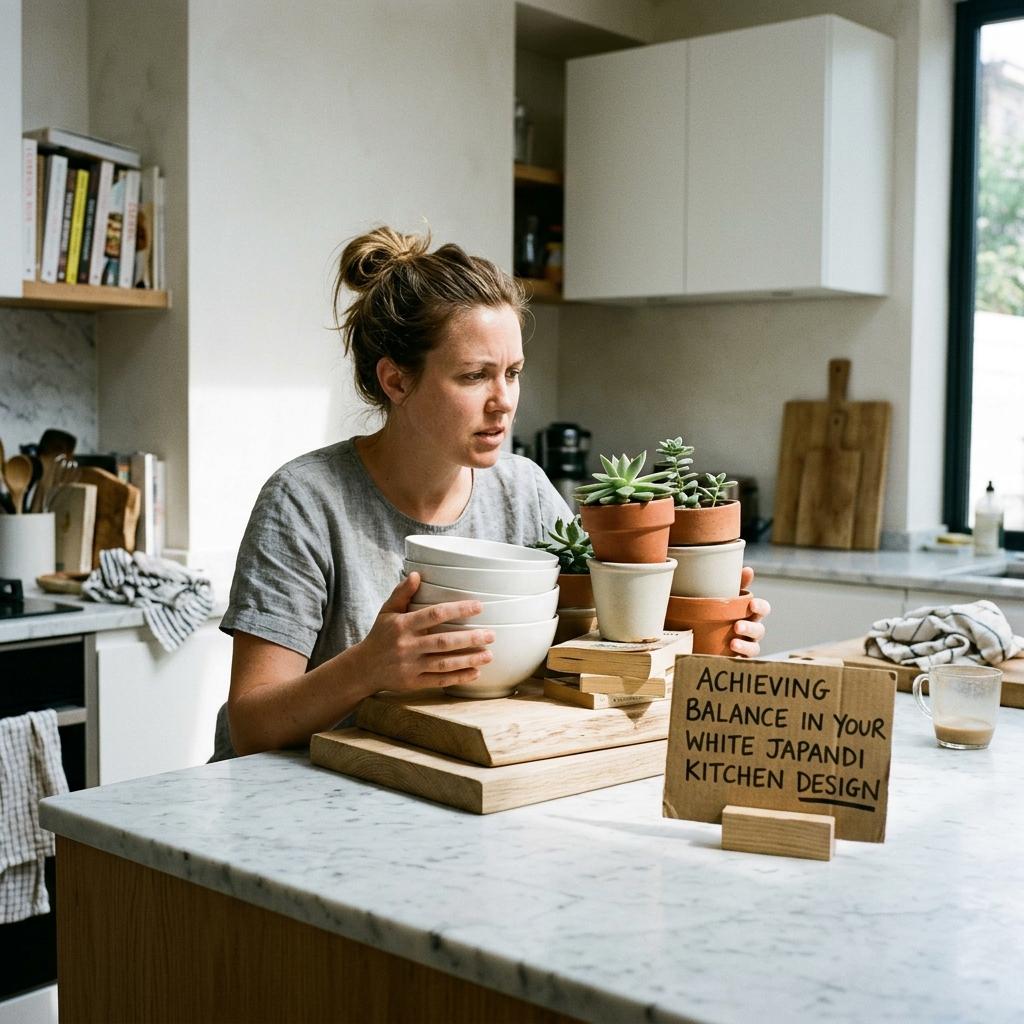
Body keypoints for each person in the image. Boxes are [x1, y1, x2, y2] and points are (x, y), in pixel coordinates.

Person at [212, 227, 769, 760]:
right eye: (475, 376)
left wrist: (704, 633)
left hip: (455, 780)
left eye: (513, 372)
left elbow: (589, 653)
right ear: (396, 381)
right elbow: (253, 724)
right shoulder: (306, 501)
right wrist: (368, 668)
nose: (504, 401)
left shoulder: (523, 491)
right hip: (308, 797)